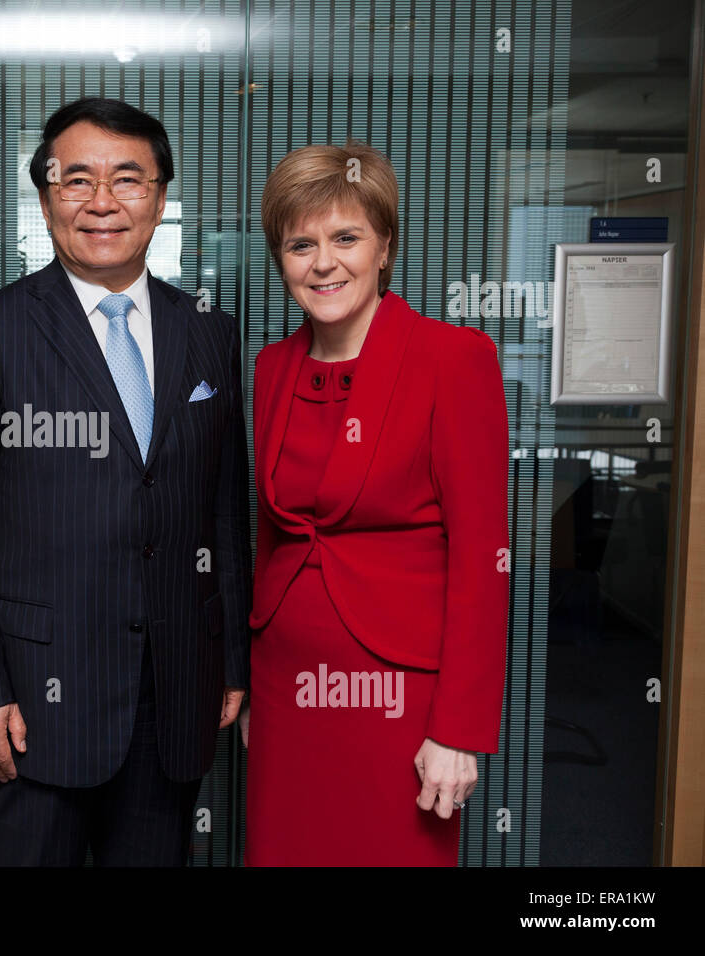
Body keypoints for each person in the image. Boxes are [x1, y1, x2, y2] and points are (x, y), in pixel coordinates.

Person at [0, 97, 251, 866]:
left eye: (128, 180)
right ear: (44, 198)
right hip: (33, 702)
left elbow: (222, 511)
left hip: (173, 694)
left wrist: (228, 658)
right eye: (77, 181)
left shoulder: (206, 328)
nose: (102, 202)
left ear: (161, 198)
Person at [243, 140, 509, 865]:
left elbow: (486, 560)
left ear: (385, 246)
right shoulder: (273, 367)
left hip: (400, 700)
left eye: (345, 238)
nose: (323, 262)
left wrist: (458, 730)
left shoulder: (453, 360)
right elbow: (273, 535)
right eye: (301, 244)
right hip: (287, 690)